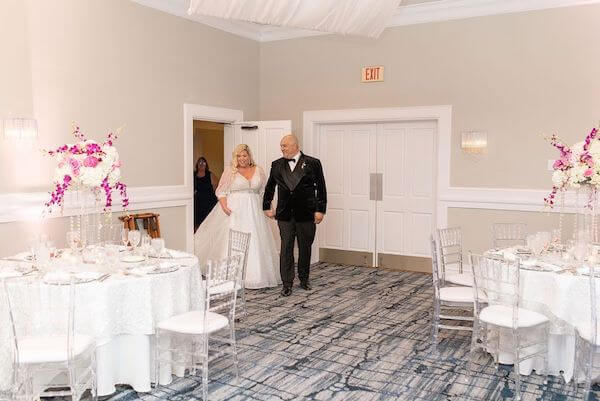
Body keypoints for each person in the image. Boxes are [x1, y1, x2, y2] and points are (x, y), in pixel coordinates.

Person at [194, 144, 281, 289]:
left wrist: (269, 209)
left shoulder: (258, 170)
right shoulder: (230, 171)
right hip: (235, 211)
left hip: (255, 212)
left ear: (249, 156)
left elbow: (265, 193)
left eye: (244, 155)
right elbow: (221, 191)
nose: (241, 158)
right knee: (234, 240)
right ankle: (232, 275)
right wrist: (224, 206)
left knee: (256, 240)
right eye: (238, 156)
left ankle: (257, 276)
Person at [263, 134, 327, 297]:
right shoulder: (276, 165)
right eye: (281, 146)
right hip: (284, 214)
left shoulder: (313, 163)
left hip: (306, 213)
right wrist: (266, 206)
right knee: (286, 248)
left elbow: (321, 187)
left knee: (305, 247)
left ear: (294, 145)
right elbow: (270, 187)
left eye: (284, 145)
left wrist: (320, 210)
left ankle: (304, 279)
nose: (282, 148)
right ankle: (287, 283)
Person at [193, 157, 218, 232]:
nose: (201, 164)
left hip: (209, 201)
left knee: (208, 221)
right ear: (197, 164)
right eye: (200, 162)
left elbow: (216, 186)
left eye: (204, 162)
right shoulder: (193, 175)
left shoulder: (210, 174)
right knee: (198, 222)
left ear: (206, 165)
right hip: (198, 202)